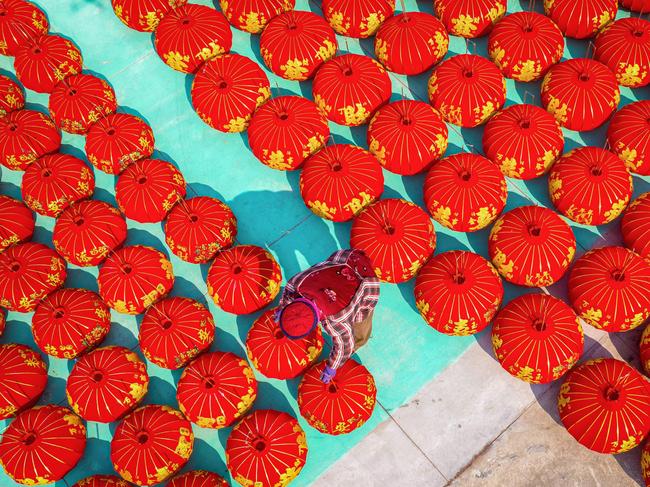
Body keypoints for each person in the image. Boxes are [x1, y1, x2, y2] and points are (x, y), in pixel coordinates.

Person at [275, 248, 380, 383]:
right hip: (346, 257)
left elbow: (343, 347)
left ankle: (359, 340)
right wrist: (283, 307)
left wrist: (332, 367)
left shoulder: (335, 321)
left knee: (360, 324)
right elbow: (289, 290)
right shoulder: (299, 283)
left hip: (367, 284)